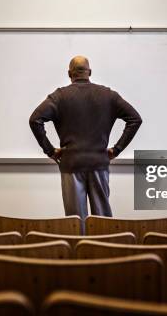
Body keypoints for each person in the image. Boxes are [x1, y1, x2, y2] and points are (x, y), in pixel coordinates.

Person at [29, 55, 142, 220]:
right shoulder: (108, 95)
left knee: (75, 221)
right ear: (90, 72)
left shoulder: (59, 96)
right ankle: (104, 246)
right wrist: (116, 150)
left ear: (69, 74)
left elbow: (35, 120)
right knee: (103, 220)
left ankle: (79, 246)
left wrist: (50, 151)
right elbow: (135, 119)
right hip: (99, 163)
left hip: (71, 164)